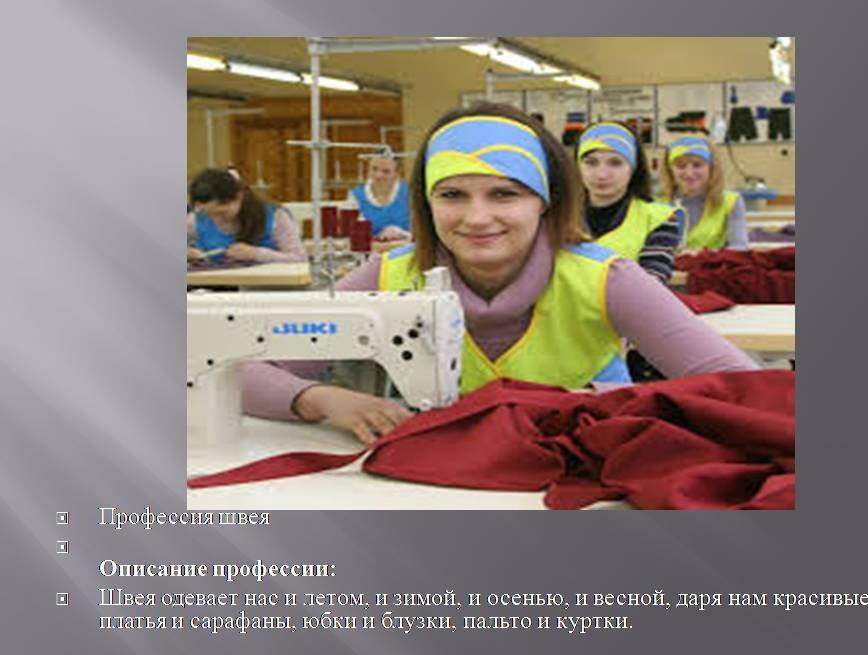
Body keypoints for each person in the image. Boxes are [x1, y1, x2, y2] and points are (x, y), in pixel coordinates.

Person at [242, 102, 757, 444]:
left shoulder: (608, 280)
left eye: (504, 194)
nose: (477, 217)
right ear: (426, 204)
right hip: (444, 487)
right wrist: (320, 398)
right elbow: (238, 370)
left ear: (545, 201)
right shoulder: (389, 274)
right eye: (452, 194)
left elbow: (749, 391)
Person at [577, 121, 683, 283]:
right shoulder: (556, 217)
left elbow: (652, 287)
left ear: (633, 168)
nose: (601, 174)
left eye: (615, 163)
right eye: (591, 162)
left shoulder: (658, 219)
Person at [187, 168, 306, 264]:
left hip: (266, 284)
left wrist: (256, 254)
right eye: (207, 215)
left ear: (239, 198)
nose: (216, 220)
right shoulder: (195, 220)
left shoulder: (275, 216)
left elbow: (299, 259)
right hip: (216, 284)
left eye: (222, 213)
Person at [661, 136, 749, 251]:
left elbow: (740, 247)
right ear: (670, 170)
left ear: (711, 167)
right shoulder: (656, 203)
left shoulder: (731, 202)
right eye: (681, 166)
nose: (689, 173)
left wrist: (702, 256)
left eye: (697, 165)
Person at [346, 151, 411, 242]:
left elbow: (422, 233)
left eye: (386, 171)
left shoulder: (410, 194)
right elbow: (350, 235)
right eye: (374, 169)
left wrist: (401, 233)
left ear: (397, 173)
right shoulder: (355, 196)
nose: (378, 175)